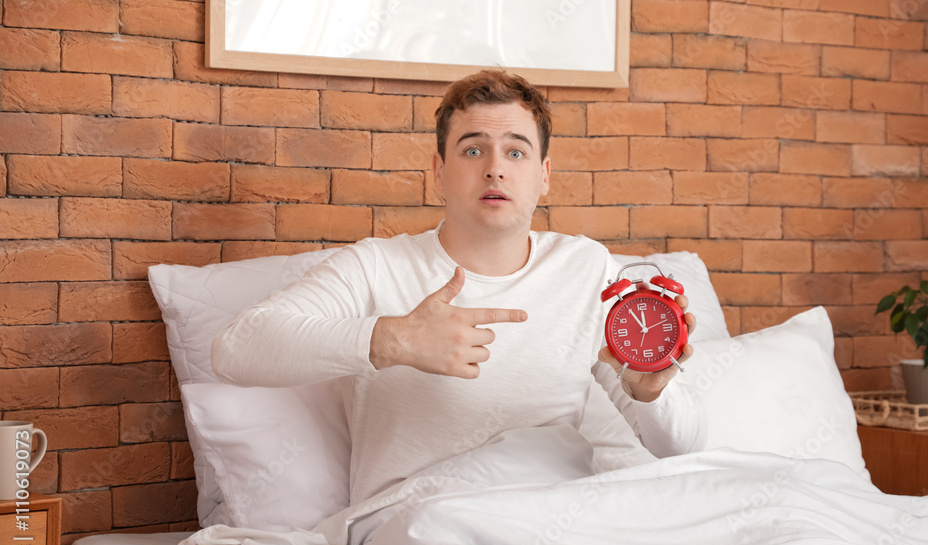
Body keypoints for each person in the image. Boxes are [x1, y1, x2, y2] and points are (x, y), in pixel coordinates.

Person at [212, 69, 705, 507]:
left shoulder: (587, 269)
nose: (495, 168)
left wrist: (652, 392)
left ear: (544, 176)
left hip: (550, 517)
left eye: (516, 151)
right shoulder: (375, 266)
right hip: (417, 521)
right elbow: (236, 349)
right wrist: (394, 340)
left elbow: (680, 448)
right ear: (439, 172)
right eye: (473, 150)